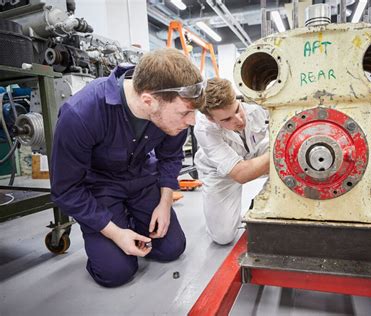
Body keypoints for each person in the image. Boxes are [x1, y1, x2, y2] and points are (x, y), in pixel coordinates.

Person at [50, 48, 205, 287]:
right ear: (148, 101)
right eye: (185, 112)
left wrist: (164, 203)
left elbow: (171, 156)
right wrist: (115, 233)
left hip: (142, 179)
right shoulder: (81, 114)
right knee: (116, 273)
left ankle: (130, 219)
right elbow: (66, 189)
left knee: (172, 248)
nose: (191, 122)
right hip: (100, 187)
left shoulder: (171, 117)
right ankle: (118, 225)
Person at [194, 78, 270, 245]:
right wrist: (280, 151)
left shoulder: (255, 107)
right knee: (223, 237)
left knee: (289, 154)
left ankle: (269, 200)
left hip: (251, 155)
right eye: (227, 119)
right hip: (221, 172)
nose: (239, 120)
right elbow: (240, 174)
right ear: (211, 119)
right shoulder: (204, 130)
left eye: (237, 110)